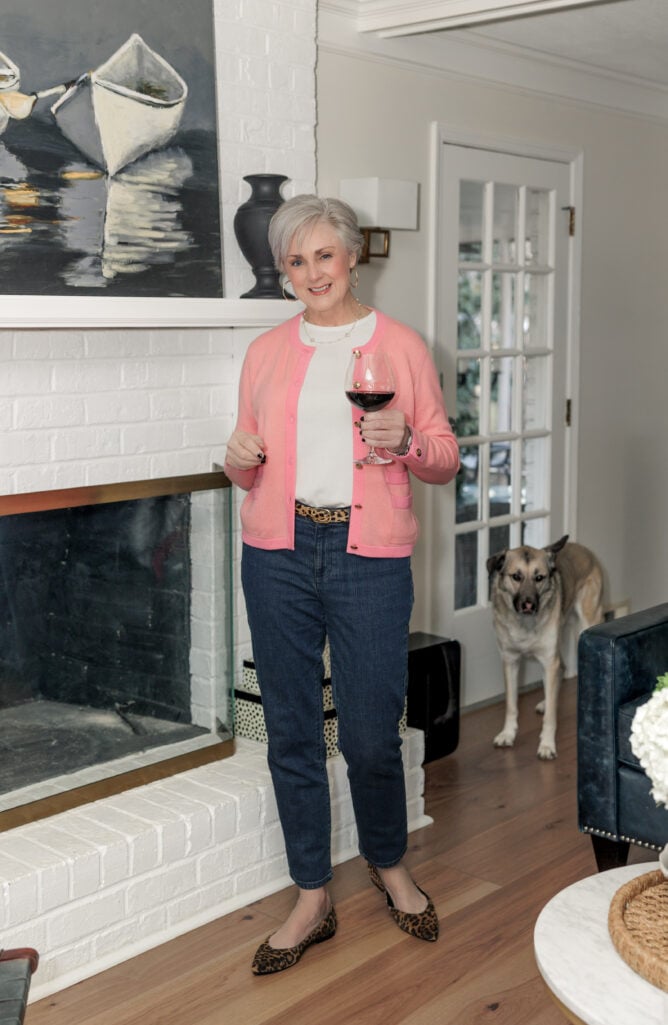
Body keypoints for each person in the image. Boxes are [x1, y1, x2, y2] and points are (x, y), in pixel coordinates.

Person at [224, 195, 459, 975]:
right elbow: (246, 466)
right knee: (291, 729)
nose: (310, 272)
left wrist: (409, 441)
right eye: (295, 260)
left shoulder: (400, 346)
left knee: (366, 732)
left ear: (353, 256)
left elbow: (443, 455)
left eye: (323, 255)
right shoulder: (264, 352)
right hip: (279, 550)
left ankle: (389, 864)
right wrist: (237, 459)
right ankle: (312, 895)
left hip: (368, 557)